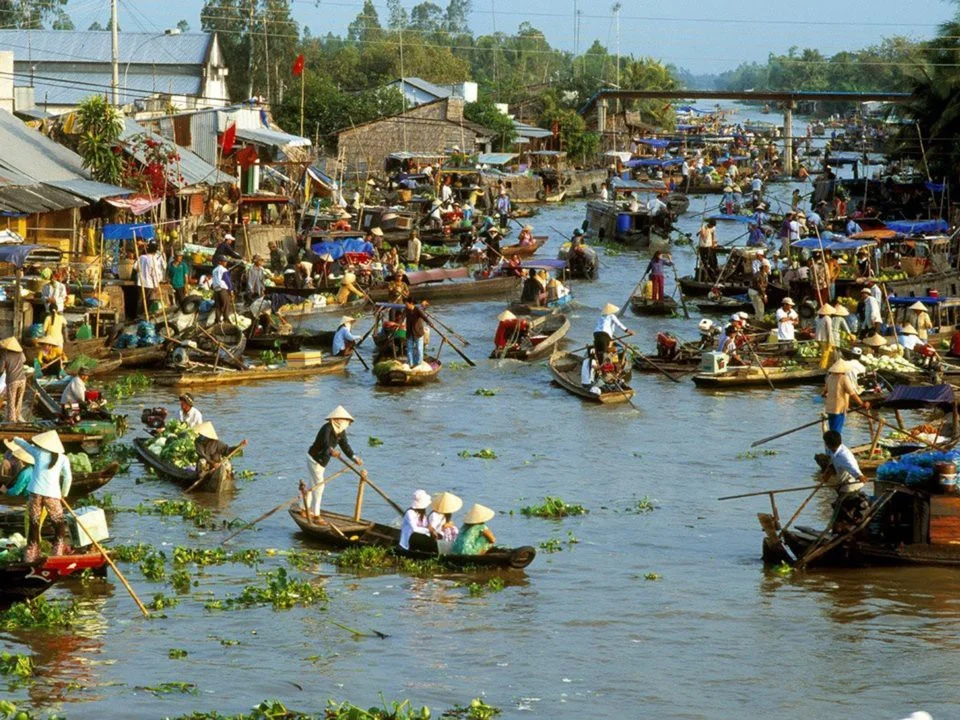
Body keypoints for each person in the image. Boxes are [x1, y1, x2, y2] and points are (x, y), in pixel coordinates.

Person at [14, 431, 71, 562]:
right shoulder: (63, 458)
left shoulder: (39, 453)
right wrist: (64, 494)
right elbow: (68, 478)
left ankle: (31, 556)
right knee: (59, 524)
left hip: (35, 493)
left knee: (34, 523)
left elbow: (25, 445)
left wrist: (16, 438)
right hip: (52, 495)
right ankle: (57, 553)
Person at [304, 406, 362, 522]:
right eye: (346, 421)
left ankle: (303, 507)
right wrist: (331, 450)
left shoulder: (340, 432)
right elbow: (325, 443)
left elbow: (345, 446)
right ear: (339, 420)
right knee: (319, 486)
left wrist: (354, 457)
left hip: (322, 462)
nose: (347, 424)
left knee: (312, 484)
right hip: (315, 459)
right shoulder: (327, 428)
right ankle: (316, 514)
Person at [822, 430, 870, 532]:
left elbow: (851, 466)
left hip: (850, 486)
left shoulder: (844, 455)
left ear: (828, 444)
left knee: (839, 509)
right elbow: (833, 464)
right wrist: (826, 476)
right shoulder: (834, 451)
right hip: (844, 484)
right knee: (843, 509)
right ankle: (841, 530)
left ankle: (838, 532)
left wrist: (860, 476)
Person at [823, 360, 869, 434]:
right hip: (839, 409)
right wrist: (862, 404)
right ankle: (835, 441)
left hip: (829, 408)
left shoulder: (830, 377)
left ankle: (832, 440)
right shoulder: (844, 378)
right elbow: (852, 393)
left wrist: (827, 394)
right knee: (836, 432)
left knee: (832, 430)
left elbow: (825, 392)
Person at [137, 242, 166, 316]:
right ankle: (144, 315)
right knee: (147, 301)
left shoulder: (141, 257)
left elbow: (135, 267)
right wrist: (156, 285)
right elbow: (154, 274)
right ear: (156, 251)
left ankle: (139, 315)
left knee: (141, 300)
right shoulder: (153, 260)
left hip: (141, 283)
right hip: (149, 284)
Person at [0, 337, 25, 422]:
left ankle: (11, 422)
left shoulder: (5, 355)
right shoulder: (20, 353)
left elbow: (1, 369)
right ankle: (17, 418)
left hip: (12, 380)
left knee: (11, 402)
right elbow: (24, 360)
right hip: (22, 379)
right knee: (18, 401)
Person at [404, 297, 429, 368]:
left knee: (419, 349)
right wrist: (398, 325)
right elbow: (402, 317)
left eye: (406, 304)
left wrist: (430, 323)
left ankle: (418, 364)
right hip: (409, 332)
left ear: (411, 303)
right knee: (409, 349)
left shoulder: (417, 310)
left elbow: (424, 317)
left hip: (418, 332)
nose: (406, 305)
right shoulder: (406, 310)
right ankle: (411, 364)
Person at [211, 256, 234, 324]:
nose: (226, 263)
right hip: (223, 290)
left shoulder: (214, 270)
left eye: (226, 261)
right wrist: (231, 290)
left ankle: (217, 321)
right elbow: (227, 281)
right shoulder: (223, 270)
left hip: (216, 290)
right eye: (224, 261)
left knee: (218, 307)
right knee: (226, 305)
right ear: (220, 262)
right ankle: (226, 320)